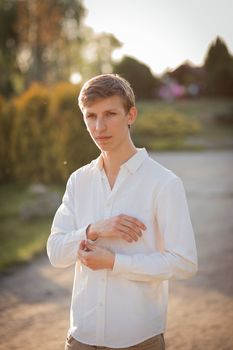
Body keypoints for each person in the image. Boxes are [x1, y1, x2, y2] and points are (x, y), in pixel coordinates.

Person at [47, 74, 198, 350]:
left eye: (110, 114)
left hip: (138, 340)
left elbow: (184, 262)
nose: (99, 127)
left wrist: (116, 262)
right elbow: (56, 252)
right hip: (81, 337)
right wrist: (93, 229)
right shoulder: (78, 181)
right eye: (90, 116)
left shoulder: (164, 183)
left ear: (131, 115)